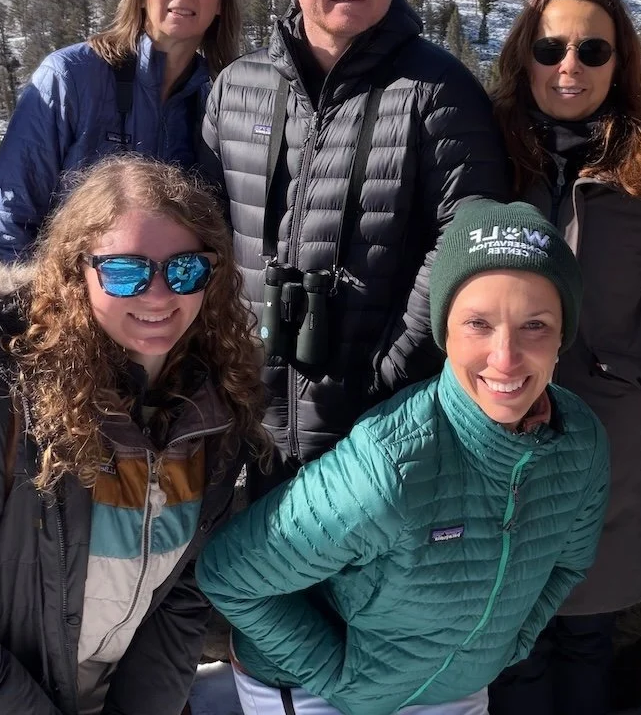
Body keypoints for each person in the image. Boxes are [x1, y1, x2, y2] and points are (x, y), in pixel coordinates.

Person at [0, 156, 265, 715]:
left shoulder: (207, 410)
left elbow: (178, 595)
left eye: (186, 269)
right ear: (74, 271)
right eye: (124, 271)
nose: (159, 295)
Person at [200, 200, 610, 715]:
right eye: (478, 323)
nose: (505, 357)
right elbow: (229, 575)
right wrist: (340, 676)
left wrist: (507, 646)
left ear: (562, 336)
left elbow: (567, 564)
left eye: (535, 325)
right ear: (444, 332)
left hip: (453, 688)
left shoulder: (580, 444)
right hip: (314, 688)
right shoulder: (391, 465)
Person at [199, 0, 507, 495]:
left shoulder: (439, 90)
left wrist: (390, 372)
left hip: (382, 432)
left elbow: (467, 241)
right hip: (247, 422)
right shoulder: (236, 88)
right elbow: (203, 231)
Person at [482, 0, 641, 715]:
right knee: (507, 639)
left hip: (605, 430)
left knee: (584, 633)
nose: (568, 66)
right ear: (524, 55)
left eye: (592, 50)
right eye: (550, 48)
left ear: (619, 61)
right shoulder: (483, 150)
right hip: (493, 424)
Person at [0, 0, 246, 260]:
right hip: (66, 288)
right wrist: (29, 293)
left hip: (170, 291)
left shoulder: (220, 99)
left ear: (222, 2)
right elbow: (9, 212)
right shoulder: (71, 76)